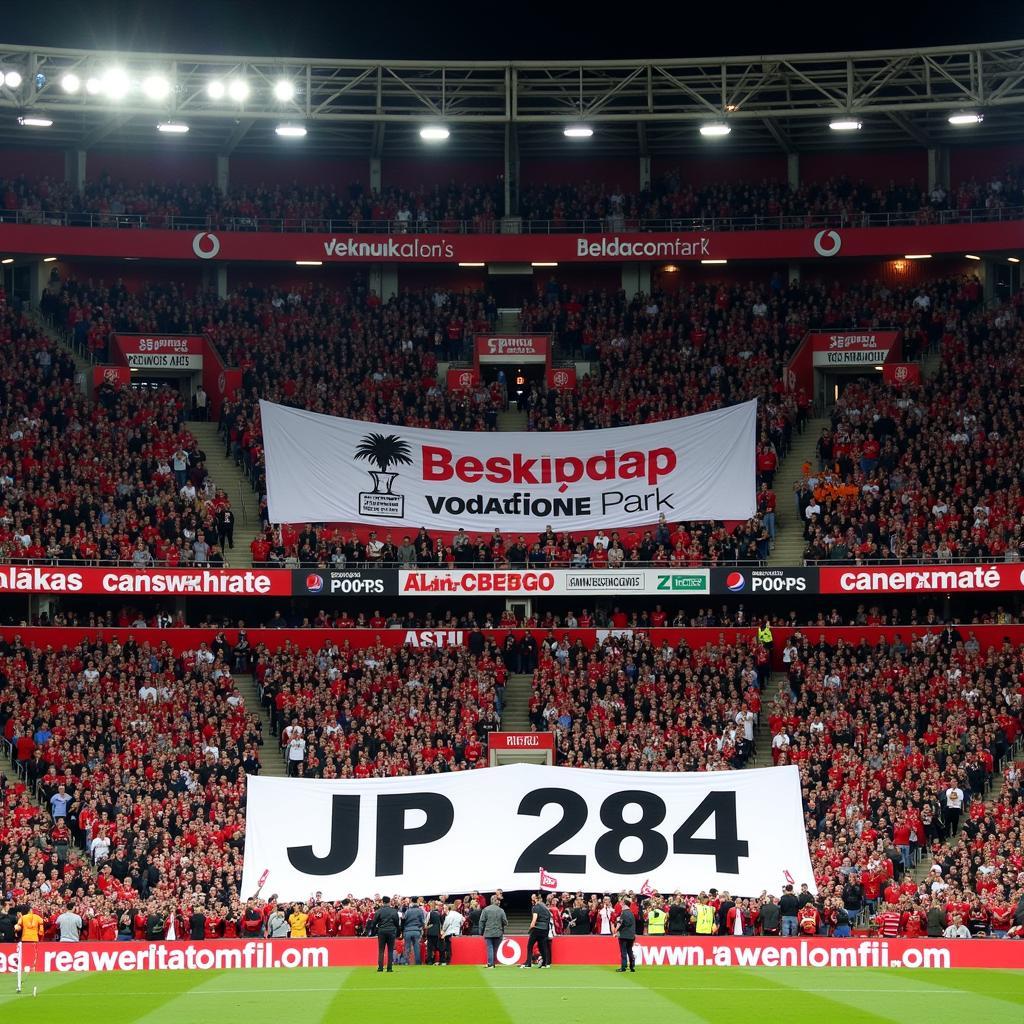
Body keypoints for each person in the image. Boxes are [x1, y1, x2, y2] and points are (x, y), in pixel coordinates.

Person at [521, 895, 552, 968]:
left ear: (535, 899)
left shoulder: (535, 907)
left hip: (537, 929)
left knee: (530, 946)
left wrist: (531, 927)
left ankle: (528, 963)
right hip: (545, 929)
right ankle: (545, 963)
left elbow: (534, 918)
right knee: (543, 947)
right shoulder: (546, 908)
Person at [372, 896, 401, 972]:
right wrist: (398, 932)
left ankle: (380, 967)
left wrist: (373, 932)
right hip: (391, 931)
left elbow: (374, 922)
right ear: (389, 902)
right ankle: (389, 968)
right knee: (390, 950)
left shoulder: (379, 911)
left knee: (381, 950)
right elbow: (397, 923)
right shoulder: (394, 911)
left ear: (382, 902)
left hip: (381, 931)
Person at [479, 895, 508, 968]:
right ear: (496, 901)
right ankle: (492, 963)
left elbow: (482, 921)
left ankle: (490, 963)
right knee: (495, 948)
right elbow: (505, 922)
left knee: (490, 947)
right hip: (498, 932)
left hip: (488, 932)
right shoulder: (501, 910)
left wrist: (481, 932)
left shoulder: (485, 909)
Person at [614, 896, 637, 973]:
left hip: (624, 935)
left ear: (624, 904)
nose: (621, 904)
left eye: (622, 903)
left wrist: (617, 931)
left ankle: (623, 967)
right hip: (631, 935)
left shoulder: (623, 913)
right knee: (630, 951)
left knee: (623, 952)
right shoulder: (631, 913)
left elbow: (621, 924)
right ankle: (632, 966)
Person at [402, 899, 425, 965]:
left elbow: (404, 920)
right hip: (416, 930)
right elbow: (423, 921)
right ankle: (418, 962)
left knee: (407, 947)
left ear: (411, 902)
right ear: (417, 902)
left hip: (408, 930)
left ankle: (406, 962)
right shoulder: (420, 911)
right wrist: (421, 927)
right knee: (417, 947)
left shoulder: (408, 911)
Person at [424, 900, 442, 965]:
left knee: (429, 947)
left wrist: (428, 926)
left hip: (430, 932)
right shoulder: (439, 914)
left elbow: (425, 923)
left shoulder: (430, 913)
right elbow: (441, 924)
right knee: (436, 947)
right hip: (437, 932)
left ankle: (429, 961)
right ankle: (435, 960)